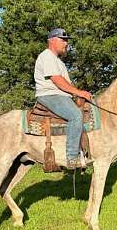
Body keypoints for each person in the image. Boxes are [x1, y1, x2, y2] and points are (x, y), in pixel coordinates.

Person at [34, 28, 92, 169]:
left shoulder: (58, 61)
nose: (66, 43)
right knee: (76, 116)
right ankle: (72, 158)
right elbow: (57, 80)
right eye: (63, 40)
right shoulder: (47, 56)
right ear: (52, 40)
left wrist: (77, 93)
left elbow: (65, 84)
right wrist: (79, 92)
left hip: (60, 95)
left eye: (66, 40)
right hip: (50, 95)